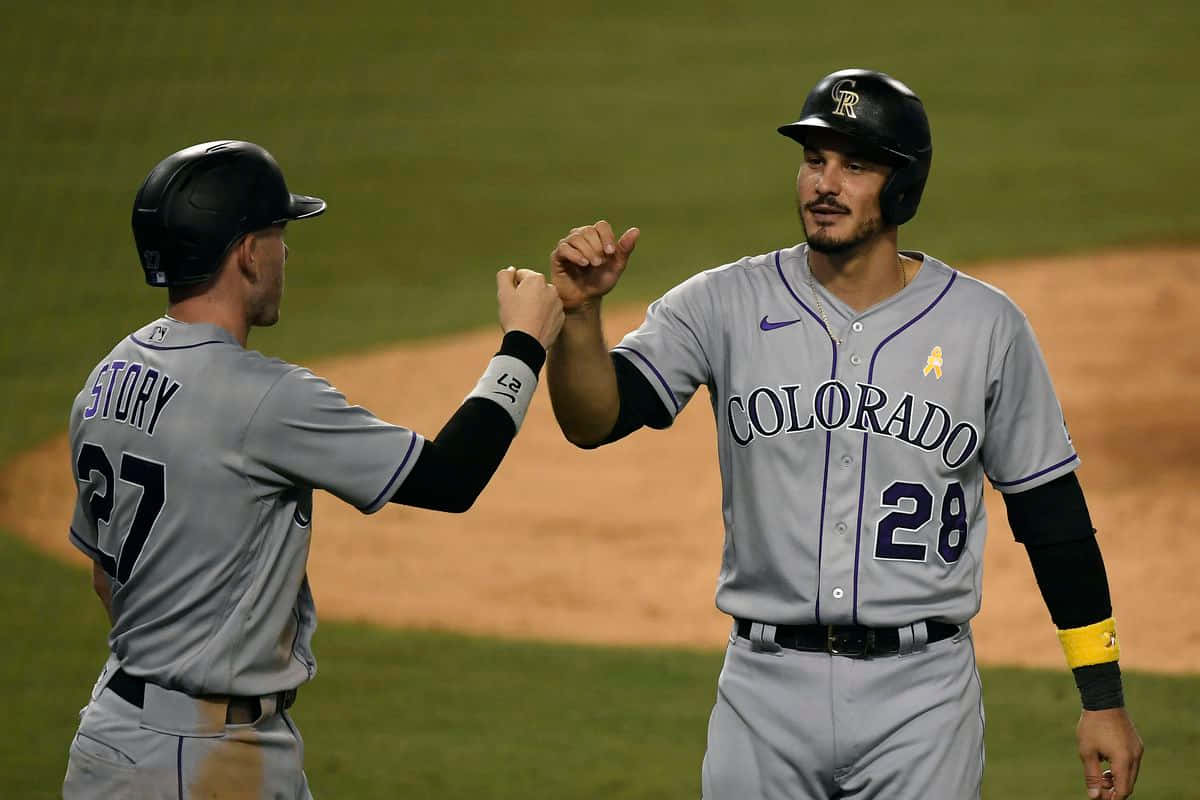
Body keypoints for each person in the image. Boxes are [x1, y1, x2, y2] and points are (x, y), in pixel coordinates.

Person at [545, 69, 1143, 800]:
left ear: (902, 187)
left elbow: (1053, 519)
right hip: (764, 692)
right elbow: (592, 421)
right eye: (814, 160)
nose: (824, 183)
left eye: (855, 165)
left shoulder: (986, 328)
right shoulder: (721, 304)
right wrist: (579, 318)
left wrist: (1102, 697)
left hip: (922, 698)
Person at [62, 140, 563, 798]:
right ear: (245, 253)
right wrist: (523, 346)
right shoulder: (264, 399)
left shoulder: (105, 379)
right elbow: (449, 478)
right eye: (277, 232)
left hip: (114, 733)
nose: (286, 251)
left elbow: (107, 578)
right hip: (200, 761)